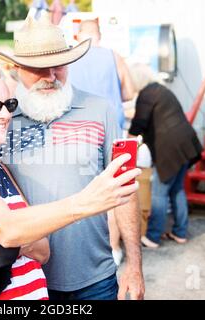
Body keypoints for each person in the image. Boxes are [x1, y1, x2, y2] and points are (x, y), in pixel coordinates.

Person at [0, 12, 145, 300]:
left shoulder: (100, 109)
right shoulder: (1, 118)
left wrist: (134, 266)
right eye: (39, 68)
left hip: (93, 279)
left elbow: (125, 188)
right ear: (17, 69)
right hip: (19, 280)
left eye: (58, 65)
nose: (50, 76)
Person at [68, 19, 136, 266]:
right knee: (115, 190)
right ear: (100, 35)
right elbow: (129, 92)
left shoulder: (71, 58)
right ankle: (114, 249)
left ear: (79, 37)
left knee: (81, 190)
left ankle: (81, 253)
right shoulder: (113, 57)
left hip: (77, 132)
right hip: (112, 132)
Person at [127, 63, 203, 248]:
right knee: (177, 190)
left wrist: (127, 147)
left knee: (159, 194)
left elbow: (138, 125)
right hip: (186, 144)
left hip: (169, 150)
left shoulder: (146, 94)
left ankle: (152, 237)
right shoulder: (160, 90)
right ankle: (180, 233)